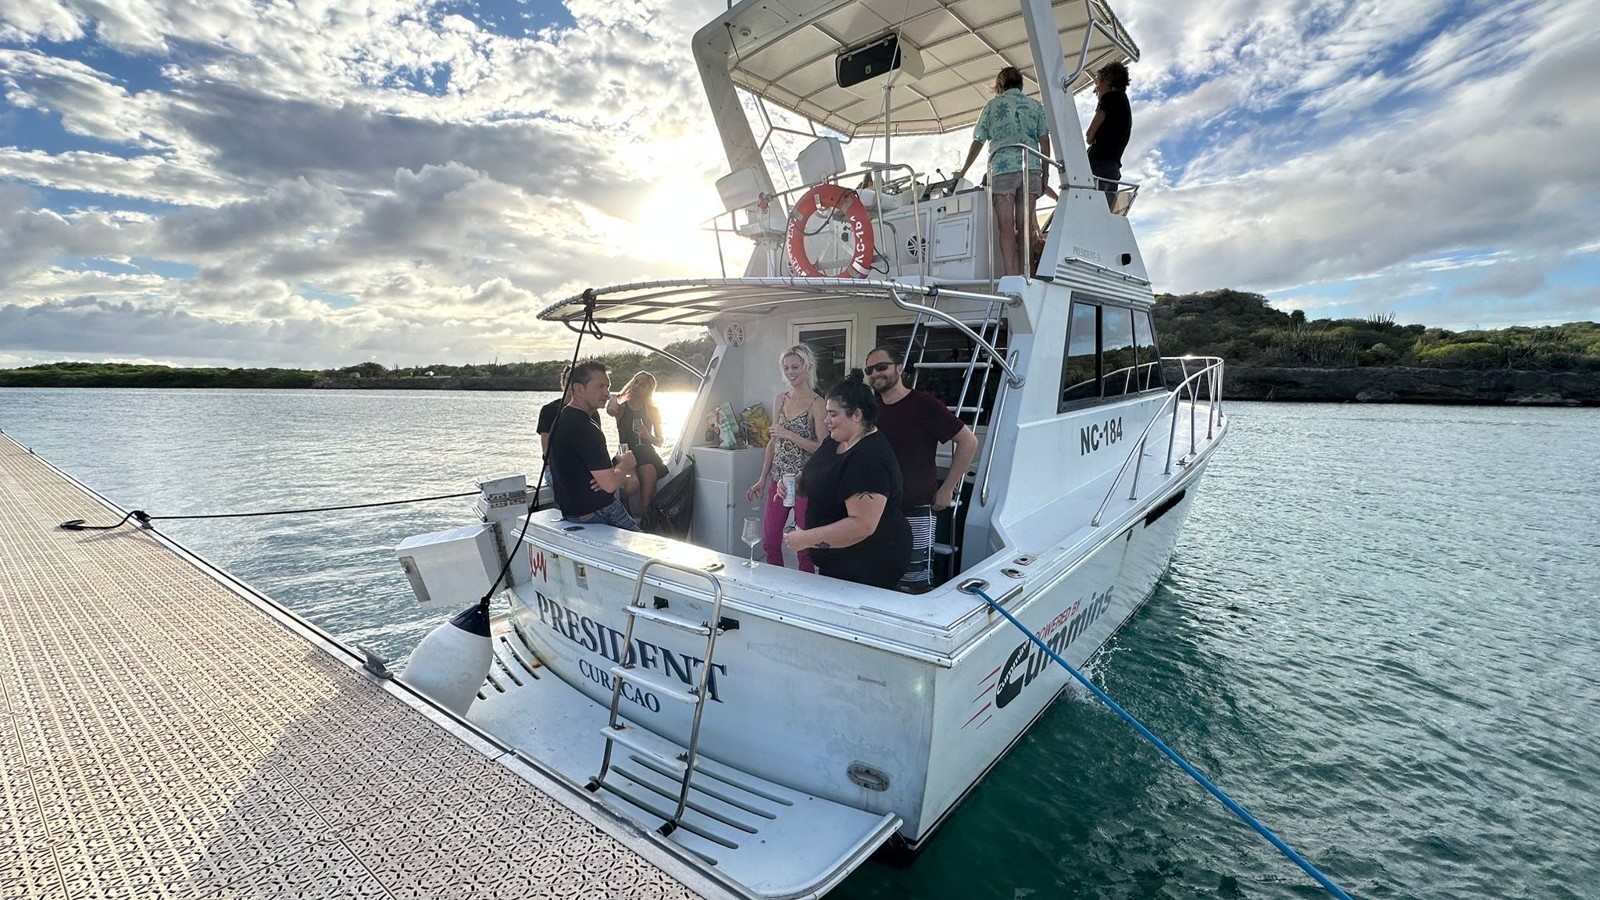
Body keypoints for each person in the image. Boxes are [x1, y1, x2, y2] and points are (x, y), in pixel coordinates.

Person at [864, 346, 980, 594]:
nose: (875, 374)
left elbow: (969, 441)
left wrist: (948, 487)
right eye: (869, 370)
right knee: (878, 581)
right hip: (874, 513)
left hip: (914, 510)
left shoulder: (924, 405)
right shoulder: (870, 411)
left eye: (881, 366)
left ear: (899, 368)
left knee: (913, 585)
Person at [783, 372, 911, 589]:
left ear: (857, 415)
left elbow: (862, 525)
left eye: (833, 414)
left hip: (870, 565)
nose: (826, 421)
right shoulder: (835, 441)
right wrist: (794, 483)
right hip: (836, 563)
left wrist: (806, 539)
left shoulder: (869, 458)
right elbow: (818, 476)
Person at [953, 66, 1051, 277]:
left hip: (1003, 169)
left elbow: (978, 141)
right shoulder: (1036, 106)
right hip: (1031, 168)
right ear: (1021, 85)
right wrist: (1046, 174)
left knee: (1006, 228)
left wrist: (963, 171)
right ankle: (1028, 277)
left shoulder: (991, 107)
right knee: (1025, 228)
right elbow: (1044, 140)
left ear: (999, 86)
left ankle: (1010, 276)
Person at [746, 346, 826, 571]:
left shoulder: (817, 404)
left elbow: (823, 448)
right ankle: (776, 585)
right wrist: (762, 478)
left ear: (807, 367)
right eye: (786, 367)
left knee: (804, 546)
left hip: (805, 483)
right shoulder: (780, 399)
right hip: (778, 481)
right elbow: (773, 442)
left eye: (795, 367)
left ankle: (805, 590)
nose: (791, 372)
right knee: (770, 541)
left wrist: (790, 435)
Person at [548, 361, 640, 531]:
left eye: (607, 386)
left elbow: (585, 469)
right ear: (579, 389)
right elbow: (610, 485)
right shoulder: (586, 428)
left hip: (572, 514)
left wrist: (608, 474)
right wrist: (627, 463)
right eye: (600, 387)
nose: (606, 393)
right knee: (649, 554)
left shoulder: (563, 418)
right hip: (599, 512)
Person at [608, 371, 666, 514]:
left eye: (642, 384)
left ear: (648, 389)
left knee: (647, 498)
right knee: (630, 484)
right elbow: (610, 410)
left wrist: (647, 435)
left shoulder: (652, 410)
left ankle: (646, 527)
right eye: (636, 381)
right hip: (625, 452)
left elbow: (660, 441)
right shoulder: (621, 408)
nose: (637, 385)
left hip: (646, 454)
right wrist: (615, 397)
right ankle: (622, 509)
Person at [1085, 61, 1131, 211]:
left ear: (1108, 81)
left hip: (1098, 167)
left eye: (1098, 82)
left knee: (1089, 212)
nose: (1095, 89)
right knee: (1104, 213)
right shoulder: (1124, 103)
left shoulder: (1109, 98)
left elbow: (1090, 135)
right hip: (1112, 168)